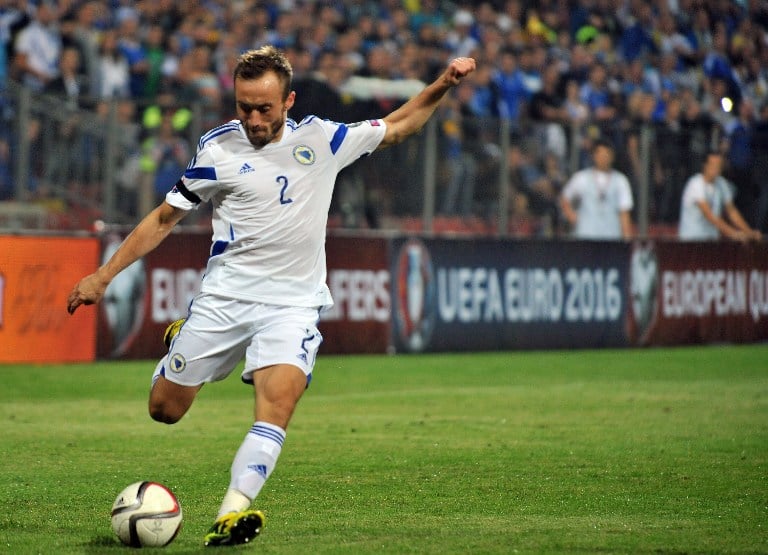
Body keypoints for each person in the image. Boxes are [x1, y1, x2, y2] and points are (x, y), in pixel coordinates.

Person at [66, 46, 476, 547]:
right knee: (164, 410)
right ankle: (183, 342)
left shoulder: (322, 139)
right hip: (225, 299)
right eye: (245, 108)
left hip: (293, 305)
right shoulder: (217, 150)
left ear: (288, 101)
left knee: (278, 402)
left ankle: (231, 512)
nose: (254, 119)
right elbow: (164, 218)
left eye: (265, 108)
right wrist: (104, 276)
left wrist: (443, 84)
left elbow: (398, 126)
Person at [678, 150, 762, 241]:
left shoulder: (721, 183)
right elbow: (710, 215)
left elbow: (731, 211)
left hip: (711, 241)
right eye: (713, 165)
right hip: (691, 241)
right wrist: (733, 233)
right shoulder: (695, 184)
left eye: (719, 166)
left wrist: (749, 232)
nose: (716, 169)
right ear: (705, 165)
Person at [559, 138, 634, 239]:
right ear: (593, 156)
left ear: (612, 157)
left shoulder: (620, 180)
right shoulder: (581, 178)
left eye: (606, 155)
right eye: (600, 154)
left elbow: (624, 212)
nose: (603, 158)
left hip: (611, 236)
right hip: (585, 235)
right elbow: (564, 199)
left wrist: (626, 238)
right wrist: (573, 218)